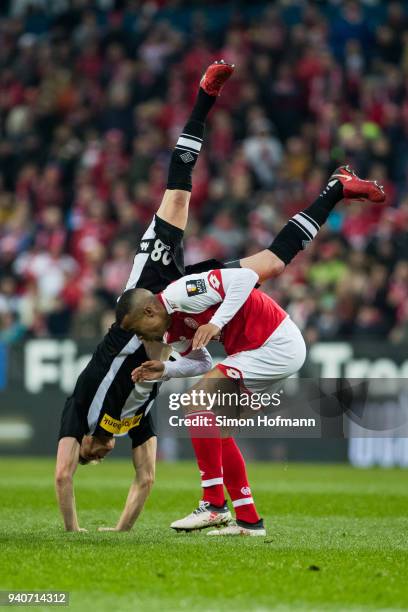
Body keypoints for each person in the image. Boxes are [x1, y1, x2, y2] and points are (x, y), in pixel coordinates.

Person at [123, 168, 385, 536]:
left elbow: (244, 281)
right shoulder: (170, 328)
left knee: (198, 401)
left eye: (140, 329)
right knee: (215, 424)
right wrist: (165, 370)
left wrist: (216, 323)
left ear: (149, 311)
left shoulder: (181, 293)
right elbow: (201, 360)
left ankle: (214, 504)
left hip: (273, 342)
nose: (146, 338)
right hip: (257, 346)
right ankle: (248, 519)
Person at [55, 60, 236, 532]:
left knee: (178, 196)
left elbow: (62, 474)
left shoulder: (89, 407)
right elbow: (147, 478)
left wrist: (73, 529)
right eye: (97, 458)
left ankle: (204, 96)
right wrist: (118, 532)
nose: (99, 456)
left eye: (92, 456)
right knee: (256, 269)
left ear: (86, 445)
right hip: (177, 309)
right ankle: (333, 194)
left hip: (146, 293)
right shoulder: (134, 418)